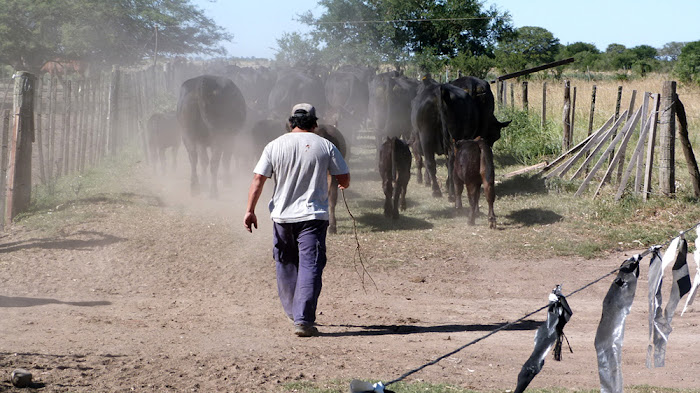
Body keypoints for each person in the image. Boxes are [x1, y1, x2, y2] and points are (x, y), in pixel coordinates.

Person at [244, 103, 350, 337]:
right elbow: (344, 177)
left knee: (285, 262)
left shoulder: (274, 146)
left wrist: (250, 210)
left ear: (291, 123)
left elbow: (258, 179)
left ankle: (294, 311)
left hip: (282, 217)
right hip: (313, 217)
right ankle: (302, 319)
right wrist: (341, 182)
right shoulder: (326, 145)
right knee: (310, 265)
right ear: (314, 123)